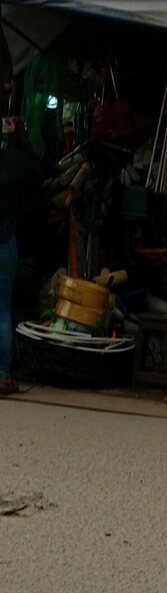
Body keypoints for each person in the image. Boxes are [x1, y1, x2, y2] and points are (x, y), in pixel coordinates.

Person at [0, 118, 44, 394]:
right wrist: (24, 143)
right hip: (5, 243)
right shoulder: (15, 160)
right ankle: (3, 375)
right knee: (3, 311)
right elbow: (40, 179)